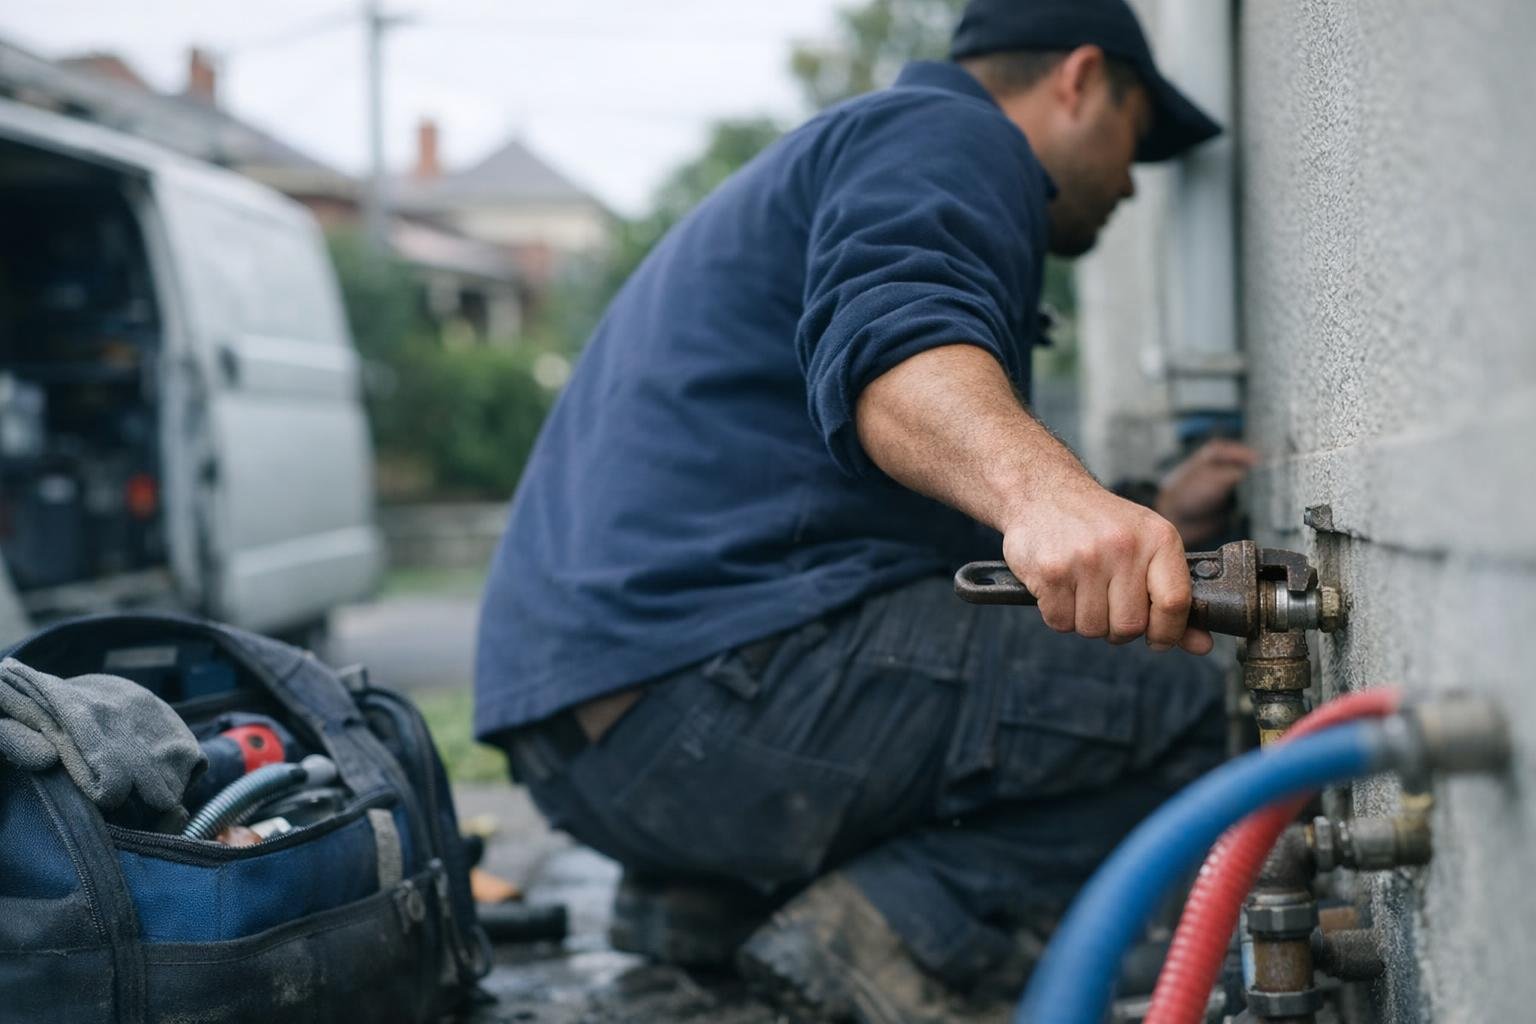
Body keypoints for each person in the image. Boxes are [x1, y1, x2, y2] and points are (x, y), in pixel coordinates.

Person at [476, 0, 1258, 1019]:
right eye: (1134, 132)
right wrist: (1047, 492)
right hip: (713, 700)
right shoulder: (951, 132)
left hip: (593, 739)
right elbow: (895, 342)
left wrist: (1148, 510)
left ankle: (708, 912)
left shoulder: (849, 158)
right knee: (1211, 704)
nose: (1128, 182)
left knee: (1049, 673)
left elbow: (907, 514)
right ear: (1076, 79)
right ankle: (881, 933)